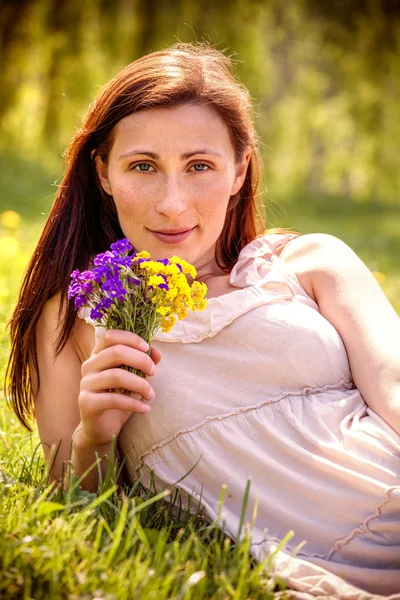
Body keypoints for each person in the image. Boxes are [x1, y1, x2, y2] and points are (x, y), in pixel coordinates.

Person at [5, 42, 400, 599]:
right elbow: (73, 500)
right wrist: (95, 435)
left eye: (200, 166)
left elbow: (394, 384)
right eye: (143, 166)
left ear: (239, 171)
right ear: (103, 173)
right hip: (316, 563)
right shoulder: (75, 319)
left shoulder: (310, 263)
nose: (172, 202)